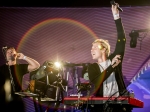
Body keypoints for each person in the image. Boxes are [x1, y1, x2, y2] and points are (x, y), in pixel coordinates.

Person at [87, 3, 130, 112]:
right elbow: (97, 82)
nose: (92, 49)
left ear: (104, 49)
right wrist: (111, 67)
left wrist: (116, 17)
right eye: (91, 47)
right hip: (101, 108)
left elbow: (122, 39)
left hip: (118, 106)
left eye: (95, 47)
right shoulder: (92, 67)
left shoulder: (115, 58)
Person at [0, 46, 40, 112]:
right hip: (3, 103)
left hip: (16, 103)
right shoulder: (1, 69)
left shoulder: (19, 68)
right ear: (6, 55)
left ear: (16, 55)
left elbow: (36, 65)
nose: (9, 53)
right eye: (8, 52)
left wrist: (24, 57)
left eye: (12, 52)